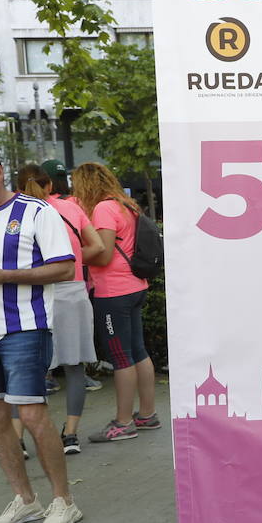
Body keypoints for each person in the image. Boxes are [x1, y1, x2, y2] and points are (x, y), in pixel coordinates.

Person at [0, 139, 83, 523]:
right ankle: (26, 499)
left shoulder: (36, 211)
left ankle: (64, 501)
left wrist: (6, 276)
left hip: (23, 326)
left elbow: (65, 269)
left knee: (31, 414)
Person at [12, 164, 101, 455]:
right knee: (74, 367)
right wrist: (72, 259)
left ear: (17, 187)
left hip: (30, 294)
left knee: (23, 369)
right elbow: (98, 246)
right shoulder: (70, 209)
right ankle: (71, 436)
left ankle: (18, 440)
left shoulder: (13, 215)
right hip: (72, 292)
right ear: (50, 184)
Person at [74, 162, 160, 442]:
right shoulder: (126, 204)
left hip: (114, 292)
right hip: (136, 285)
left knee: (121, 357)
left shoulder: (103, 208)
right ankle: (147, 414)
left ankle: (123, 423)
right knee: (138, 352)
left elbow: (104, 253)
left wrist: (72, 255)